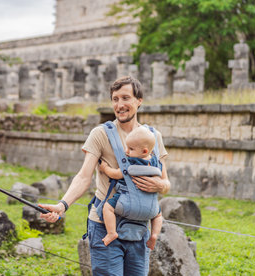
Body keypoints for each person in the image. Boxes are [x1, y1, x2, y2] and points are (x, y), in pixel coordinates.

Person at [39, 76, 170, 276]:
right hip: (104, 226)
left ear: (139, 101)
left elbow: (166, 182)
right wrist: (62, 205)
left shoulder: (153, 137)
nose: (120, 105)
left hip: (139, 229)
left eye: (125, 98)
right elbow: (84, 177)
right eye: (115, 99)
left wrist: (159, 186)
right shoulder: (100, 134)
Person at [98, 126, 163, 250]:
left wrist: (105, 168)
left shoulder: (131, 163)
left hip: (128, 203)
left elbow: (115, 174)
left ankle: (111, 232)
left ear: (144, 151)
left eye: (131, 149)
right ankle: (154, 235)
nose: (126, 151)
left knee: (108, 207)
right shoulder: (155, 162)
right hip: (150, 209)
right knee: (159, 215)